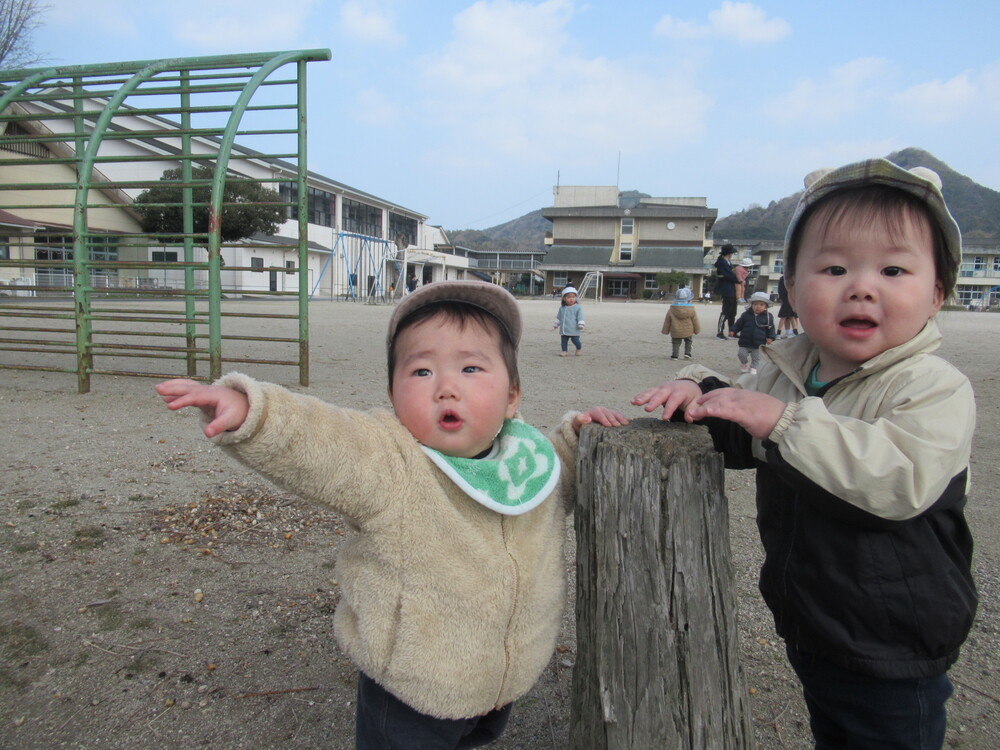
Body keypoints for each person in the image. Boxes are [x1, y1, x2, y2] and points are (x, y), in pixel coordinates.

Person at [156, 281, 627, 749]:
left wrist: (580, 441)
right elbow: (323, 441)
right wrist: (254, 414)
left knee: (474, 739)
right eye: (421, 372)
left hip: (506, 677)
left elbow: (559, 479)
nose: (446, 388)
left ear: (512, 396)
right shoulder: (389, 462)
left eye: (470, 368)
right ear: (393, 394)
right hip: (412, 687)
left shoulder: (527, 461)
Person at [631, 159, 977, 750]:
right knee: (834, 729)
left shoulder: (931, 386)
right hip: (813, 618)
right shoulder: (790, 371)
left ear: (937, 294)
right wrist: (703, 398)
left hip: (895, 640)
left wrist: (783, 422)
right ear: (793, 288)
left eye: (894, 269)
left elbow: (899, 479)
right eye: (835, 267)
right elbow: (747, 431)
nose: (862, 286)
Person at [731, 291, 776, 374]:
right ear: (751, 305)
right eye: (755, 304)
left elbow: (771, 328)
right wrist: (733, 330)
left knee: (756, 357)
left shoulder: (768, 317)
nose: (757, 307)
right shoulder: (746, 315)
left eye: (761, 305)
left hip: (758, 342)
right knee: (741, 354)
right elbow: (738, 324)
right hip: (744, 341)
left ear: (766, 306)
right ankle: (744, 363)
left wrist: (771, 337)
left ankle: (754, 367)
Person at [661, 284, 700, 360]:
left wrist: (665, 331)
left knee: (676, 342)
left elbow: (667, 321)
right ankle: (687, 353)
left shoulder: (672, 309)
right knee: (688, 341)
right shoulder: (691, 309)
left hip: (676, 329)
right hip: (688, 329)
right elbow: (695, 320)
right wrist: (697, 330)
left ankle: (675, 355)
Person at [714, 244, 739, 339]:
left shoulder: (728, 262)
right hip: (726, 288)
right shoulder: (722, 263)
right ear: (729, 253)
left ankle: (732, 331)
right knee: (726, 311)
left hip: (731, 288)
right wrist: (738, 279)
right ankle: (719, 332)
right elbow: (729, 275)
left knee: (733, 311)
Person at [553, 285, 585, 356]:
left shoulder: (578, 307)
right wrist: (556, 324)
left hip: (574, 328)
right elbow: (559, 317)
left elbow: (580, 317)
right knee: (564, 341)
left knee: (575, 340)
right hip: (564, 328)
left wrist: (581, 324)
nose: (571, 299)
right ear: (564, 298)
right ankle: (564, 351)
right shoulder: (562, 308)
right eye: (569, 297)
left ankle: (579, 348)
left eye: (573, 297)